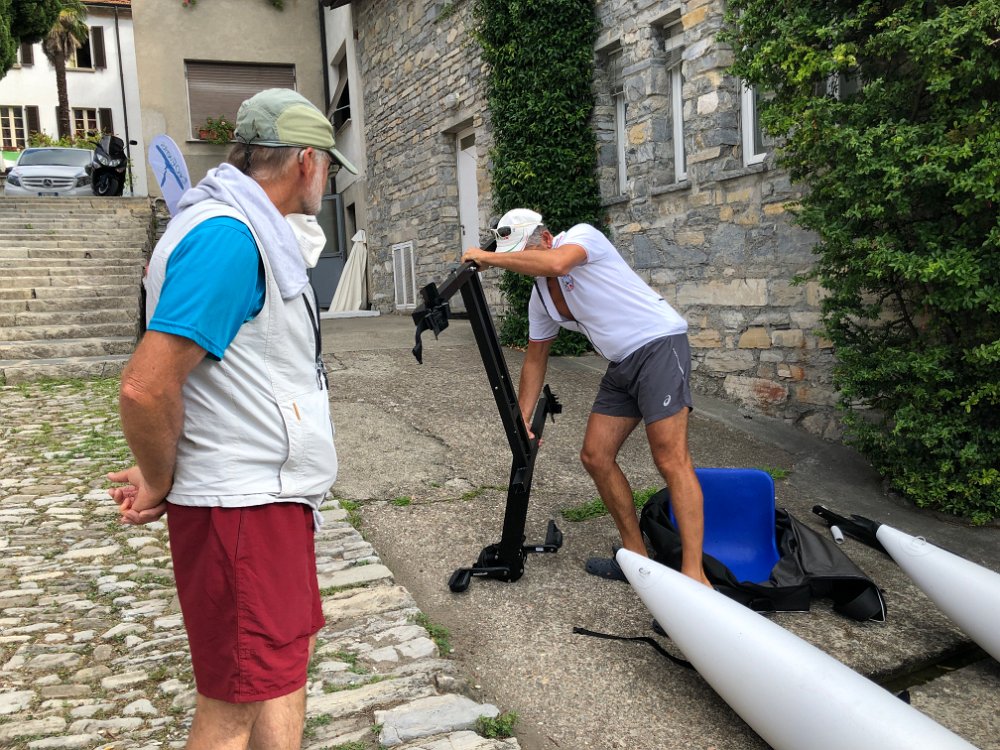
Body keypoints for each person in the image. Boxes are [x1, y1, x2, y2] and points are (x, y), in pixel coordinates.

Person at [106, 88, 358, 750]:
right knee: (232, 709)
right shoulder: (229, 238)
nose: (328, 180)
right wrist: (161, 478)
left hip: (268, 500)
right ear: (306, 162)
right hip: (242, 509)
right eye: (328, 166)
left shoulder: (246, 229)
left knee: (280, 671)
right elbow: (145, 387)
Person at [462, 209, 710, 587]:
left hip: (658, 345)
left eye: (525, 254)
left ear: (546, 240)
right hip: (622, 363)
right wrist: (522, 419)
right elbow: (535, 358)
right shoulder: (541, 300)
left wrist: (488, 258)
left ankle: (695, 578)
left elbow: (558, 264)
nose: (524, 266)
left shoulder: (581, 237)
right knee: (596, 456)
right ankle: (636, 560)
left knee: (670, 458)